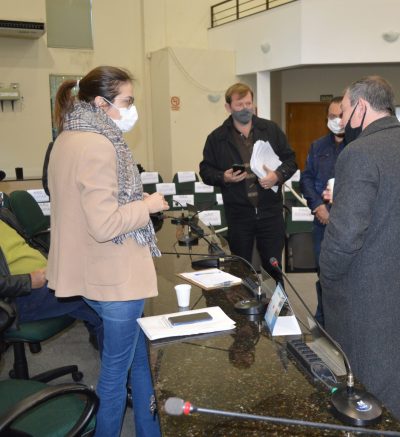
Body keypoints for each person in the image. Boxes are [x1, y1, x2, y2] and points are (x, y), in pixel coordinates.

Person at [47, 66, 169, 437]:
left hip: (90, 276)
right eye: (127, 101)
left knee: (137, 364)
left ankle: (150, 430)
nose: (132, 109)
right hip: (115, 279)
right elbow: (104, 224)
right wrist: (147, 205)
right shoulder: (100, 144)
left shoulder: (67, 137)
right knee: (116, 376)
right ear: (101, 103)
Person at [319, 76, 400, 436]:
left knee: (373, 392)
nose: (341, 118)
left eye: (344, 109)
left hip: (368, 296)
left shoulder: (359, 154)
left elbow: (345, 236)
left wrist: (327, 273)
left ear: (362, 107)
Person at [199, 83, 297, 281]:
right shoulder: (217, 138)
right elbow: (205, 171)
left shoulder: (270, 129)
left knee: (273, 268)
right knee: (240, 268)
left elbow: (291, 160)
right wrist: (223, 177)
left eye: (248, 103)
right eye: (239, 104)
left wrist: (277, 175)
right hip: (238, 215)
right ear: (228, 107)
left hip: (270, 212)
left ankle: (277, 310)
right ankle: (242, 309)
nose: (245, 108)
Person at [0, 207, 102, 348]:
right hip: (14, 299)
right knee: (99, 295)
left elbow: (29, 245)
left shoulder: (3, 214)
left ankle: (112, 354)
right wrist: (28, 281)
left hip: (44, 277)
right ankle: (117, 365)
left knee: (101, 292)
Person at [299, 96, 345, 326]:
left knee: (344, 274)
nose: (337, 120)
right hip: (320, 221)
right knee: (323, 272)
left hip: (346, 222)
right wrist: (317, 206)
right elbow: (306, 178)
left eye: (341, 115)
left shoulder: (358, 146)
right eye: (332, 116)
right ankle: (323, 316)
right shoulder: (318, 146)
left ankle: (341, 320)